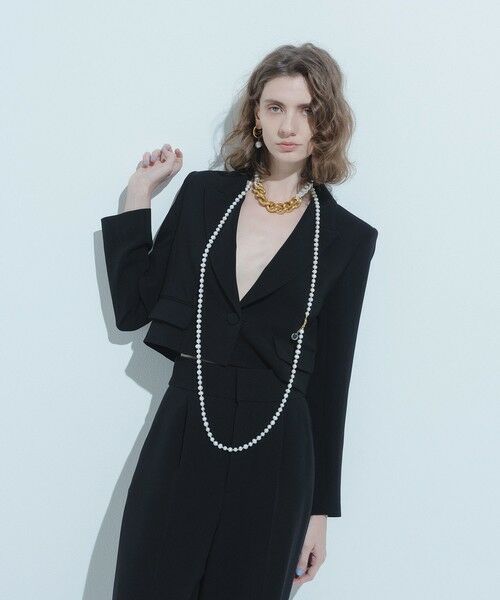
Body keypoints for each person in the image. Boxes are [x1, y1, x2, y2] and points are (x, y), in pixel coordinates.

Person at [101, 42, 378, 600]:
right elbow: (134, 308)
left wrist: (320, 512)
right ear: (255, 114)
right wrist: (138, 195)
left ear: (326, 121)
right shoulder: (206, 196)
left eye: (306, 110)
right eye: (275, 107)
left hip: (278, 451)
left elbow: (332, 382)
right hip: (186, 428)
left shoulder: (346, 237)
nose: (289, 126)